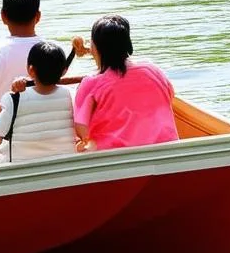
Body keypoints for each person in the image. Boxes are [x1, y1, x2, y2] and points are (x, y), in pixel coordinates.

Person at [0, 0, 85, 120]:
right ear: (38, 16)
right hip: (53, 126)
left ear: (3, 16)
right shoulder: (54, 49)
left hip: (10, 134)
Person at [73, 14, 178, 151]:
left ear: (95, 47)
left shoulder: (91, 82)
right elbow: (170, 95)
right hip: (167, 148)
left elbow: (80, 128)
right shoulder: (153, 70)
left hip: (115, 157)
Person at [0, 41, 80, 166]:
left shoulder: (14, 99)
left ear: (30, 70)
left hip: (19, 166)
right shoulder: (71, 95)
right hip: (64, 162)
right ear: (64, 71)